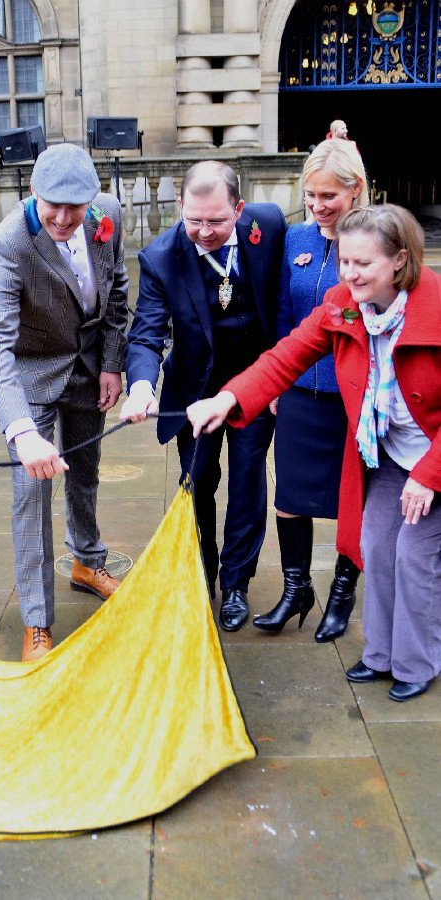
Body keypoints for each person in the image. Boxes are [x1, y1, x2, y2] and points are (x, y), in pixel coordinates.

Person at [188, 204, 441, 703]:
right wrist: (228, 398)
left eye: (362, 264)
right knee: (375, 546)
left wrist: (430, 473)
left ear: (400, 261)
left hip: (432, 458)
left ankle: (419, 662)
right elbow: (286, 357)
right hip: (392, 455)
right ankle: (383, 656)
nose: (349, 273)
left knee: (414, 556)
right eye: (345, 261)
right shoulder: (344, 304)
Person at [0, 143, 129, 662]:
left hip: (88, 367)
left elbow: (118, 292)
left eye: (77, 207)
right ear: (33, 193)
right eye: (52, 206)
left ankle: (87, 562)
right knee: (31, 494)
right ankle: (37, 621)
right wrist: (21, 431)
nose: (65, 218)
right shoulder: (7, 244)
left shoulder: (110, 213)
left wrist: (112, 362)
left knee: (86, 471)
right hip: (32, 374)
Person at [120, 160, 287, 631]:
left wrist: (279, 376)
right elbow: (147, 333)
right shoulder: (160, 256)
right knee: (198, 483)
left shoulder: (269, 224)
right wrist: (139, 386)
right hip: (195, 389)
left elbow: (283, 299)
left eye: (215, 220)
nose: (203, 231)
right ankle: (203, 576)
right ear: (180, 207)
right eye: (193, 220)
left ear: (238, 208)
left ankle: (236, 584)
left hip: (255, 384)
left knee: (248, 479)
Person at [255, 139, 369, 642]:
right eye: (311, 195)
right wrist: (277, 378)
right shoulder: (297, 238)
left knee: (355, 499)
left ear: (356, 190)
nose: (319, 206)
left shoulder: (373, 242)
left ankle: (341, 595)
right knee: (290, 496)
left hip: (354, 394)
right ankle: (296, 589)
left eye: (330, 196)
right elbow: (284, 311)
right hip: (301, 388)